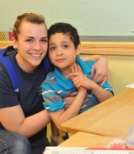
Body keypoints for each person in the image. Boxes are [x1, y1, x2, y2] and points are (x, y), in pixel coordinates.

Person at [0, 13, 109, 154]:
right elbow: (19, 130)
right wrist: (58, 107)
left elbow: (75, 58)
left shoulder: (45, 60)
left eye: (43, 40)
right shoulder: (3, 73)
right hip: (11, 137)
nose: (38, 47)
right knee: (18, 145)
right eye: (29, 40)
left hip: (35, 137)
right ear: (15, 42)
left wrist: (102, 61)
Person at [41, 22, 113, 133]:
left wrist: (92, 85)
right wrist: (82, 91)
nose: (59, 52)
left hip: (106, 124)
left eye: (65, 46)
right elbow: (61, 124)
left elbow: (111, 102)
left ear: (77, 49)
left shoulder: (93, 68)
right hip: (78, 134)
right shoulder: (49, 85)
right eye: (53, 48)